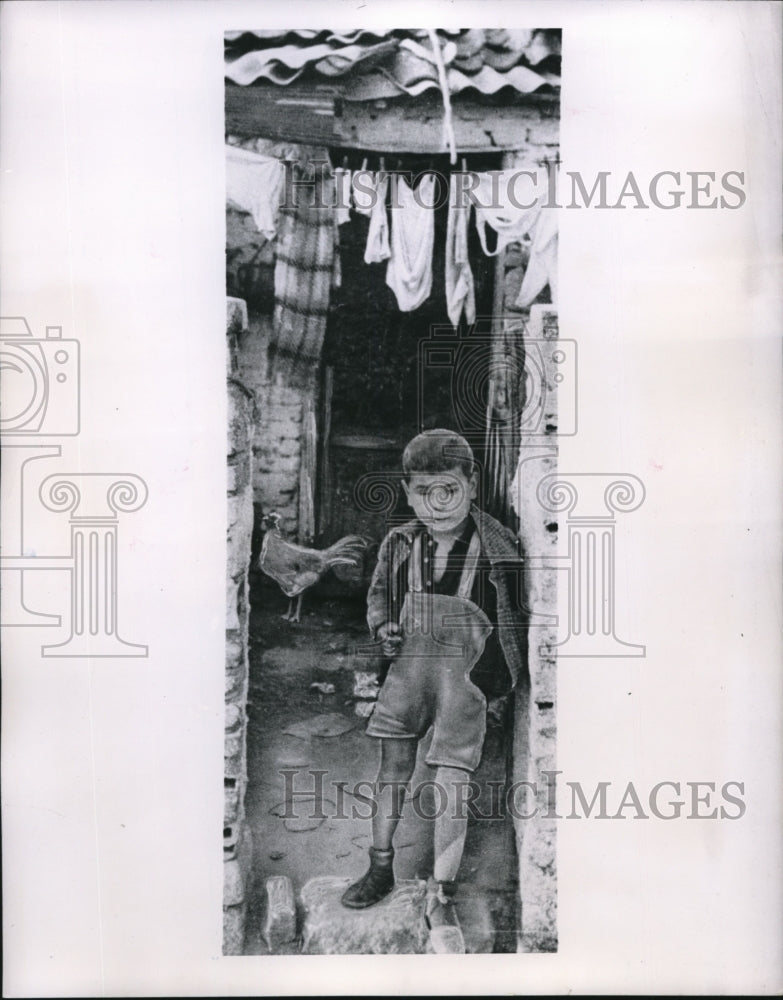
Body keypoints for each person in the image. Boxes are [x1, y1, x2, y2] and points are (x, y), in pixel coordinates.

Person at [341, 429, 525, 953]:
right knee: (392, 770)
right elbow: (379, 596)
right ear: (406, 491)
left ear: (471, 483)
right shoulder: (401, 543)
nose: (436, 503)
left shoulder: (497, 547)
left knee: (452, 783)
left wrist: (496, 683)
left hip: (462, 682)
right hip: (410, 672)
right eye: (423, 492)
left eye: (448, 489)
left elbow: (514, 619)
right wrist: (383, 630)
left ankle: (440, 892)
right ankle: (379, 868)